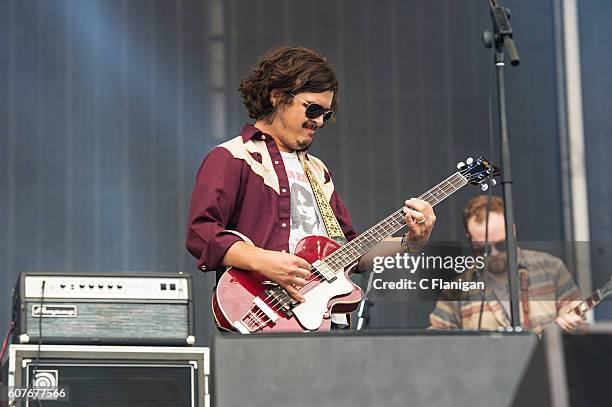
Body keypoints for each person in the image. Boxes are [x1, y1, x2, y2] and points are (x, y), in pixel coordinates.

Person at [185, 46, 436, 329]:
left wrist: (410, 242)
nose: (318, 121)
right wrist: (263, 261)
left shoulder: (319, 171)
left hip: (328, 321)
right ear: (277, 96)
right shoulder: (233, 157)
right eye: (313, 109)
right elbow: (201, 233)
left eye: (326, 115)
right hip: (266, 315)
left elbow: (352, 252)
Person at [429, 195, 585, 332]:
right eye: (483, 249)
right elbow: (434, 344)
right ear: (470, 239)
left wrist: (573, 325)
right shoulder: (455, 291)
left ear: (513, 230)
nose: (495, 254)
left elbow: (579, 324)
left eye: (501, 245)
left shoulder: (551, 269)